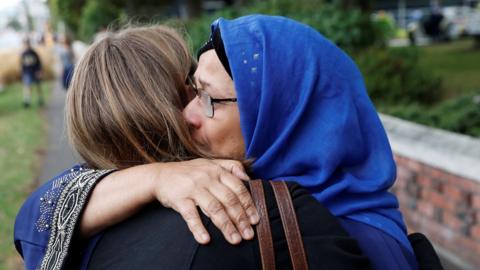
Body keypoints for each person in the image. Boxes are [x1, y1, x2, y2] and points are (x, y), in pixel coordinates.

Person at [15, 24, 369, 270]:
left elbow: (31, 221)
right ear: (177, 104)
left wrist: (155, 178)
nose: (195, 111)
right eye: (197, 91)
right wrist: (157, 177)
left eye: (206, 94)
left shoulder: (74, 214)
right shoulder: (279, 213)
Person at [20, 38, 44, 107]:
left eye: (27, 44)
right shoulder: (23, 54)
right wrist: (23, 72)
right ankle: (27, 101)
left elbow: (39, 63)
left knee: (38, 86)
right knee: (27, 86)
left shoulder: (34, 53)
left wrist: (39, 71)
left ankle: (40, 99)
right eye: (25, 44)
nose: (26, 45)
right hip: (27, 73)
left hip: (35, 72)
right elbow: (22, 65)